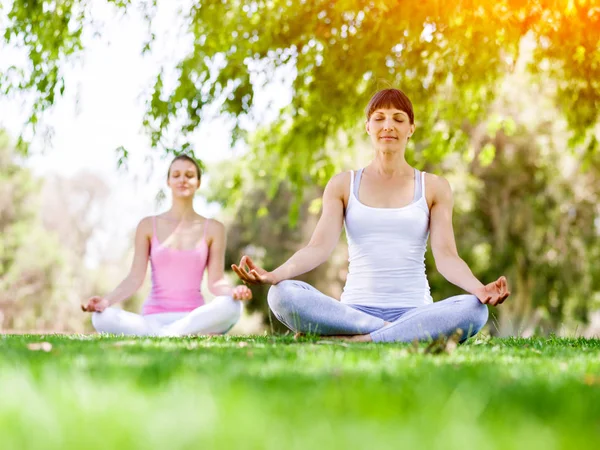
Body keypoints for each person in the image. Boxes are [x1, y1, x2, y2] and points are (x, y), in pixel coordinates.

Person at [232, 88, 510, 343]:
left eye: (398, 119)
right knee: (282, 295)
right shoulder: (343, 184)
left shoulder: (434, 187)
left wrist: (479, 289)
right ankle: (392, 333)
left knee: (475, 311)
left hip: (415, 310)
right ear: (368, 126)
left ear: (411, 128)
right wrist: (274, 275)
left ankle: (359, 339)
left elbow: (447, 256)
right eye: (379, 118)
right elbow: (317, 248)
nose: (388, 125)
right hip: (354, 311)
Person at [82, 154, 252, 336]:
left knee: (232, 306)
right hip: (152, 320)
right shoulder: (147, 225)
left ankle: (168, 333)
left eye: (189, 175)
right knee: (100, 317)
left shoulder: (214, 229)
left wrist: (233, 292)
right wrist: (106, 301)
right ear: (168, 181)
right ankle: (170, 333)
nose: (182, 180)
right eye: (176, 175)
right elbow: (135, 278)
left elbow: (215, 282)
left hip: (194, 318)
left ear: (198, 183)